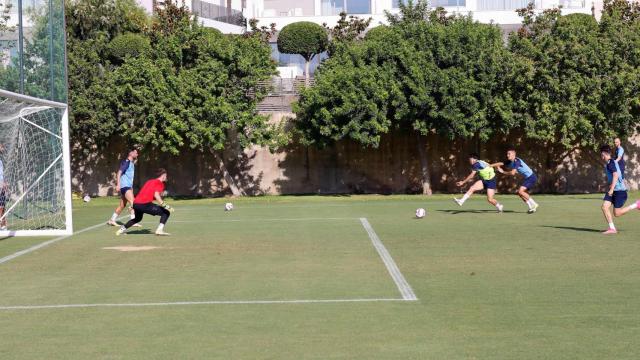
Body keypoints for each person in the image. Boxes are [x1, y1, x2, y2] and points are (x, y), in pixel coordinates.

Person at [116, 168, 173, 236]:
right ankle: (159, 230)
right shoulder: (160, 183)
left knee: (137, 218)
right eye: (166, 176)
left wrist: (133, 205)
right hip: (144, 205)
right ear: (163, 175)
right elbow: (156, 195)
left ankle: (120, 230)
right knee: (166, 212)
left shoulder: (149, 181)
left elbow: (141, 193)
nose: (166, 177)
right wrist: (165, 205)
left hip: (136, 204)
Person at [600, 145, 639, 235]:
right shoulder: (611, 162)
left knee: (617, 213)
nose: (601, 157)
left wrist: (612, 189)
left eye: (601, 155)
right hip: (614, 190)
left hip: (619, 192)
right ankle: (612, 228)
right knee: (604, 207)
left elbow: (616, 175)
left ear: (604, 154)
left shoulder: (611, 163)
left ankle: (636, 205)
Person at [492, 146, 539, 213]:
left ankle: (534, 204)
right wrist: (489, 165)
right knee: (520, 194)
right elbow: (500, 163)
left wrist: (503, 172)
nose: (507, 155)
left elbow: (513, 173)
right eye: (507, 154)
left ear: (514, 154)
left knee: (520, 191)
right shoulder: (510, 161)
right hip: (528, 178)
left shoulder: (517, 161)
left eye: (509, 154)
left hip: (531, 177)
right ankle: (531, 207)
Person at [108, 147, 140, 227]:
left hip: (128, 187)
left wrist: (131, 188)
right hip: (125, 186)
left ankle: (112, 220)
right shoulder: (127, 162)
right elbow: (119, 173)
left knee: (122, 205)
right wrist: (118, 184)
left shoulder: (132, 163)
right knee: (134, 203)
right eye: (135, 152)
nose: (137, 154)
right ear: (131, 153)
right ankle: (134, 221)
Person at [0, 144, 7, 231]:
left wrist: (4, 182)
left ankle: (3, 224)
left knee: (2, 205)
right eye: (1, 147)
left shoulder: (1, 161)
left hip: (1, 184)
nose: (2, 148)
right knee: (1, 206)